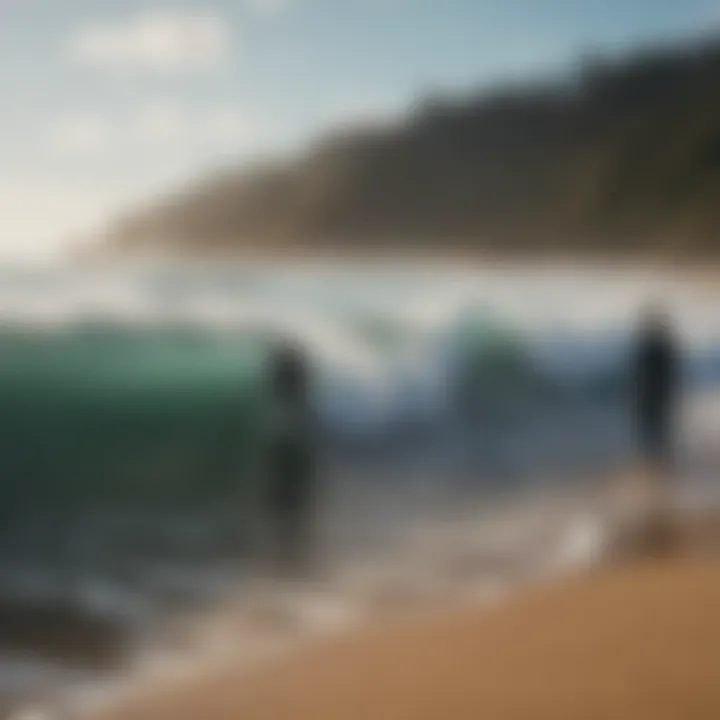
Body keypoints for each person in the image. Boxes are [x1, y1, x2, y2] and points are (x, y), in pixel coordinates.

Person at [264, 337, 317, 573]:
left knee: (285, 511)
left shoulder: (279, 412)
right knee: (294, 511)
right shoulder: (299, 410)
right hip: (295, 451)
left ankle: (288, 560)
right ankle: (294, 559)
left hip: (286, 453)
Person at [631, 305, 680, 470]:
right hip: (656, 393)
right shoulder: (659, 346)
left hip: (650, 393)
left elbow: (642, 372)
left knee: (653, 426)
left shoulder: (650, 346)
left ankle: (654, 459)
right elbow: (670, 372)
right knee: (657, 426)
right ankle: (657, 458)